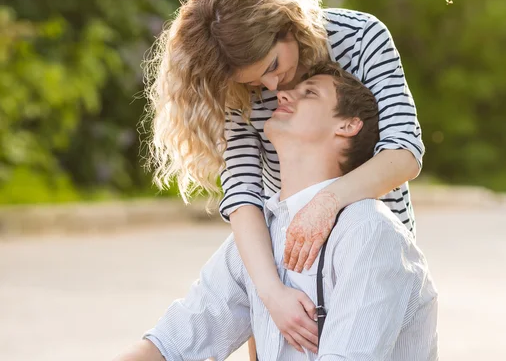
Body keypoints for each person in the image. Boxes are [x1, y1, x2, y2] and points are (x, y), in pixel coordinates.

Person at [143, 0, 425, 352]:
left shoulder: (361, 38)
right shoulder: (237, 86)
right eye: (256, 81)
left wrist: (327, 203)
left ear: (288, 25)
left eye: (273, 66)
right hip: (283, 263)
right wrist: (271, 295)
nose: (273, 87)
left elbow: (403, 152)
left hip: (366, 259)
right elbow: (243, 194)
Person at [116, 63, 438, 360]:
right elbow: (170, 345)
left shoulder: (368, 232)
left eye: (309, 92)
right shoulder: (261, 240)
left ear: (348, 125)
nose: (282, 93)